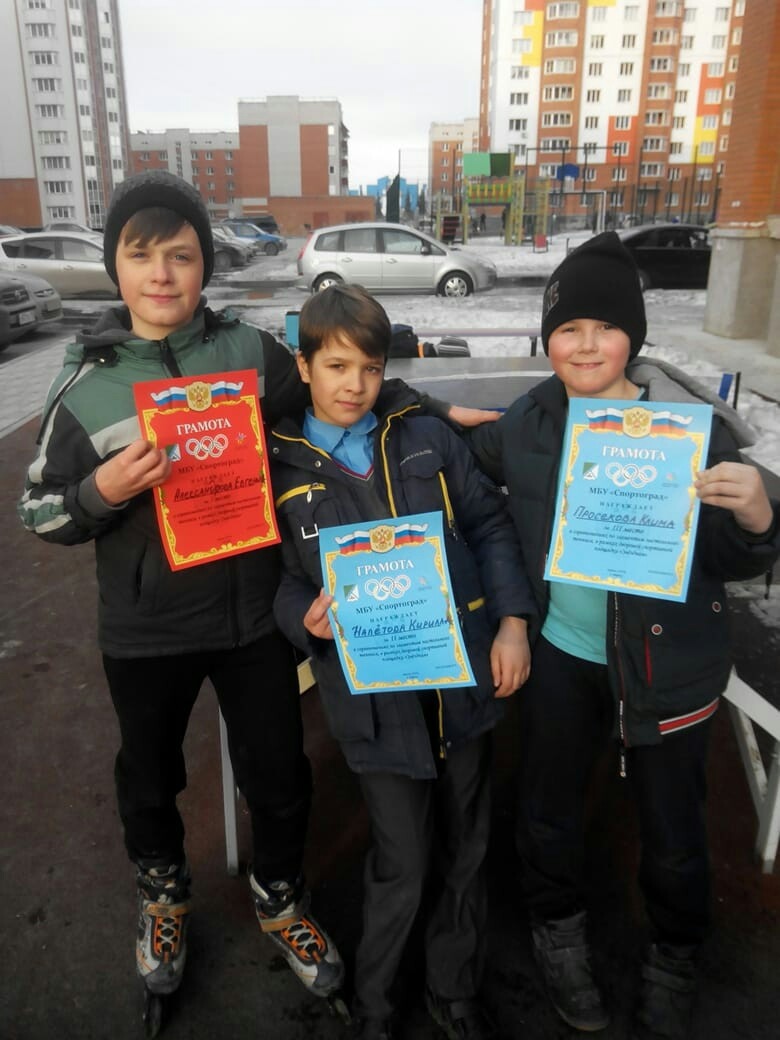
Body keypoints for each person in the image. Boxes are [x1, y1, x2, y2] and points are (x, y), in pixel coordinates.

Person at [16, 171, 496, 1018]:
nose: (162, 274)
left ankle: (280, 895)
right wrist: (101, 491)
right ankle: (164, 895)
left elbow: (337, 385)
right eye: (141, 255)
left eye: (181, 255)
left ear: (204, 264)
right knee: (150, 776)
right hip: (147, 629)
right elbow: (39, 511)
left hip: (252, 624)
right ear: (115, 265)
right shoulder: (84, 383)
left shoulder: (249, 352)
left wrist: (428, 408)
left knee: (278, 776)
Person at [465, 232, 779, 1039]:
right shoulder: (529, 421)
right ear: (548, 338)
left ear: (632, 336)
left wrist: (758, 515)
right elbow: (463, 461)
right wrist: (422, 412)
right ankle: (557, 930)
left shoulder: (689, 429)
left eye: (605, 327)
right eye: (568, 328)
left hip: (667, 662)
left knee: (675, 828)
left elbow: (731, 557)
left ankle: (675, 953)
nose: (586, 344)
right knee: (547, 807)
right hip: (562, 654)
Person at [269, 284, 536, 1040]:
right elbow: (280, 583)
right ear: (304, 366)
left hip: (460, 685)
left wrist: (513, 623)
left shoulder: (425, 438)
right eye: (336, 366)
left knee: (469, 848)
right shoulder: (281, 470)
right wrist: (305, 620)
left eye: (371, 367)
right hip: (375, 707)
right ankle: (377, 1004)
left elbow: (489, 525)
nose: (355, 384)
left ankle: (455, 991)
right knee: (404, 861)